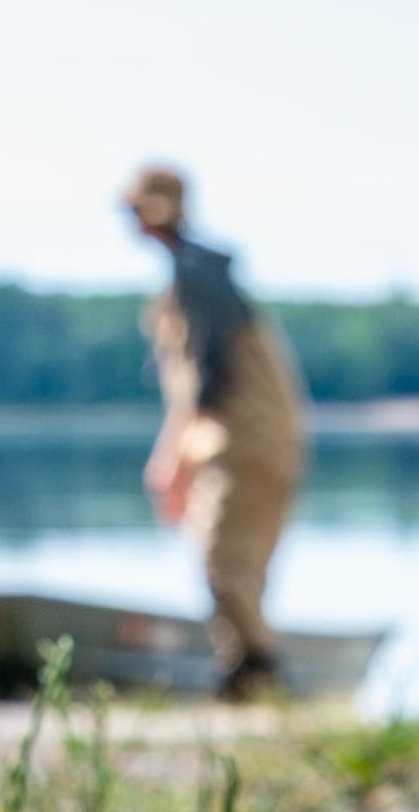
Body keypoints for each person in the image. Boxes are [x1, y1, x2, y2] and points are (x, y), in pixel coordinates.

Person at [127, 166, 308, 700]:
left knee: (224, 562)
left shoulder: (197, 277)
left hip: (247, 442)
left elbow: (206, 383)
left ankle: (259, 670)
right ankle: (248, 670)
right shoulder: (197, 274)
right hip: (244, 442)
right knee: (231, 562)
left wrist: (172, 462)